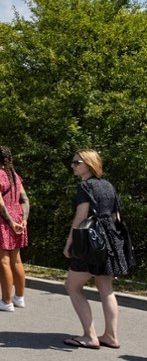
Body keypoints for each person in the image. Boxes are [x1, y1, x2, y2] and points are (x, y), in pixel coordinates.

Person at [62, 149, 134, 350]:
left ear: (89, 164)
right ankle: (111, 336)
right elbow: (115, 217)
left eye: (77, 162)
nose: (73, 166)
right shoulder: (108, 186)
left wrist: (70, 243)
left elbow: (80, 217)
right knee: (106, 289)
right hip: (108, 242)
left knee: (72, 286)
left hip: (89, 242)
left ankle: (89, 336)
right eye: (73, 162)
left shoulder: (85, 186)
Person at [0, 145, 30, 311]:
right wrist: (23, 220)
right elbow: (25, 199)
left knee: (3, 261)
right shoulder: (15, 176)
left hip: (1, 220)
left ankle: (6, 301)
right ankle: (19, 297)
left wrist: (10, 222)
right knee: (16, 260)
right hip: (18, 216)